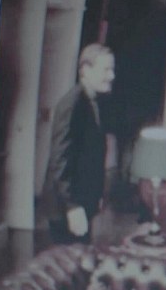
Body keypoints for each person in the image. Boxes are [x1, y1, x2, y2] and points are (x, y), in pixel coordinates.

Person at [44, 43, 116, 244]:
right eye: (106, 70)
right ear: (86, 70)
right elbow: (59, 159)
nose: (112, 76)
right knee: (69, 260)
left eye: (112, 70)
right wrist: (72, 206)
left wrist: (96, 195)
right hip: (68, 208)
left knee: (82, 258)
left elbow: (91, 155)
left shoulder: (93, 101)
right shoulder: (72, 104)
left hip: (82, 203)